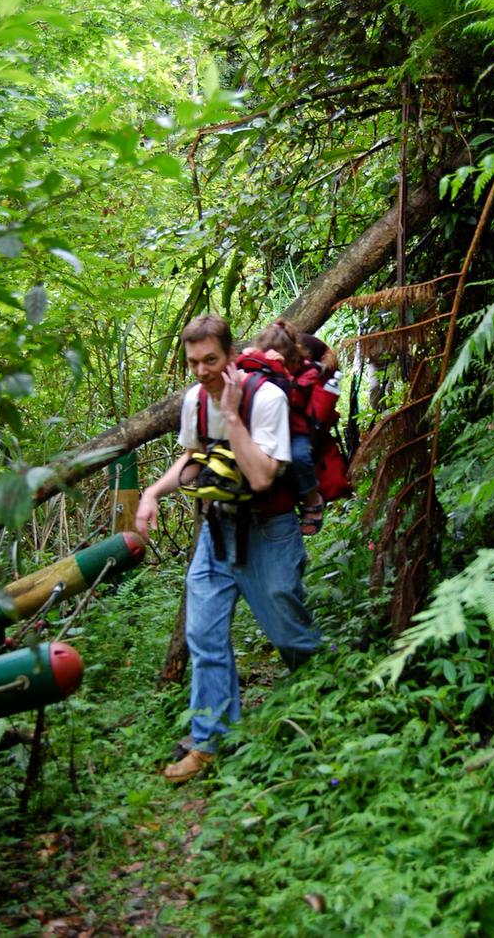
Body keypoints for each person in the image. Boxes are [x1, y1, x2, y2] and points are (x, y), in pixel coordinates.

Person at [135, 314, 321, 783]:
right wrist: (153, 493)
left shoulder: (267, 398)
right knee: (204, 637)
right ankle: (210, 742)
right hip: (216, 533)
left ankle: (325, 697)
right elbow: (193, 459)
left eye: (211, 360)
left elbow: (261, 475)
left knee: (288, 634)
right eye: (193, 362)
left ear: (230, 354)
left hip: (269, 531)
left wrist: (234, 415)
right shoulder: (196, 400)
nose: (202, 371)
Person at [239, 319, 331, 535]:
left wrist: (281, 372)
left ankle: (312, 499)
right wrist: (247, 359)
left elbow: (294, 400)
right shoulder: (260, 362)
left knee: (298, 456)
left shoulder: (308, 371)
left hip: (296, 429)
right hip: (266, 423)